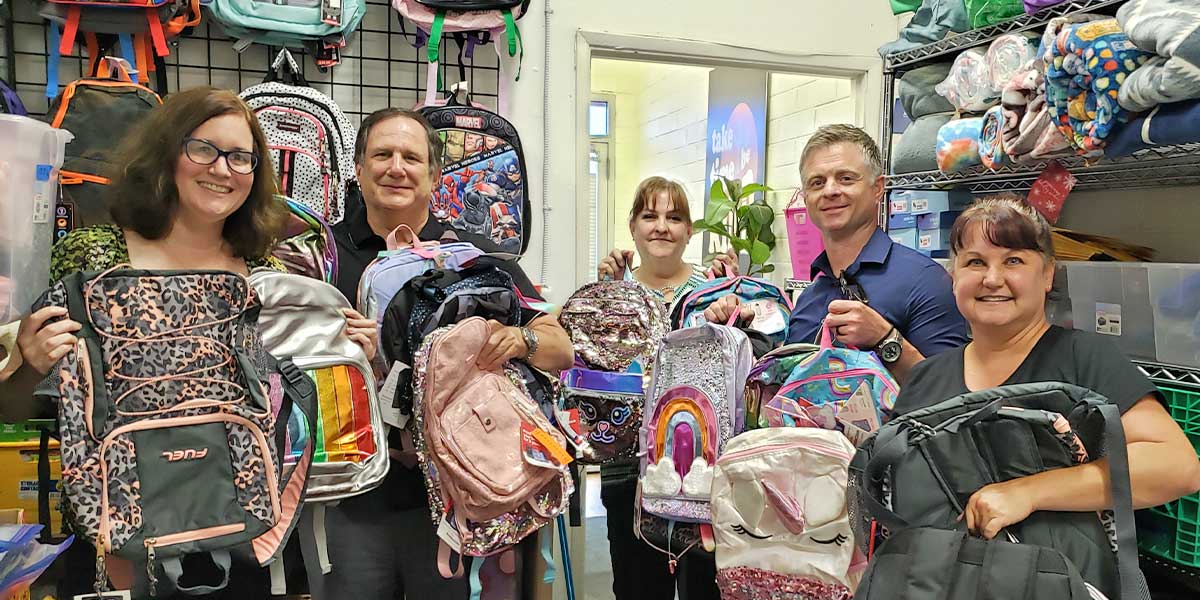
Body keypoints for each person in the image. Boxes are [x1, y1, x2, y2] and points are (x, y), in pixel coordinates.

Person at [1, 87, 379, 597]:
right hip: (117, 545)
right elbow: (16, 409)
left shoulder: (267, 277)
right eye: (203, 148)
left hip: (242, 537)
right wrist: (26, 363)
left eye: (241, 157)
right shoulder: (92, 258)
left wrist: (355, 356)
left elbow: (294, 413)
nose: (222, 169)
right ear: (166, 154)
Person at [313, 107, 573, 600]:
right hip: (353, 496)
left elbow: (560, 348)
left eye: (411, 157)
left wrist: (520, 340)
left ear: (435, 174)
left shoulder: (473, 258)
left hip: (462, 497)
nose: (396, 167)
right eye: (382, 154)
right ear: (357, 169)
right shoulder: (324, 258)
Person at [893, 196, 1200, 589]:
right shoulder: (925, 378)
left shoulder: (1083, 358)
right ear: (953, 277)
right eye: (974, 262)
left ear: (1048, 275)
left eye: (1014, 261)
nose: (991, 278)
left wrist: (1029, 492)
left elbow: (1177, 466)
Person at [704, 124, 968, 381]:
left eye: (846, 178)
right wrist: (741, 335)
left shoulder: (925, 281)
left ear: (878, 188)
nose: (830, 191)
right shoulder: (809, 298)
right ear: (805, 198)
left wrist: (886, 340)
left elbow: (948, 396)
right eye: (817, 183)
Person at [594, 175, 717, 600]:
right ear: (632, 227)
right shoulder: (612, 293)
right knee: (636, 587)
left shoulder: (712, 293)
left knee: (706, 588)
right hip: (627, 470)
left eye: (674, 217)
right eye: (650, 216)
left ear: (689, 232)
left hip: (703, 472)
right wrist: (605, 295)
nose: (661, 226)